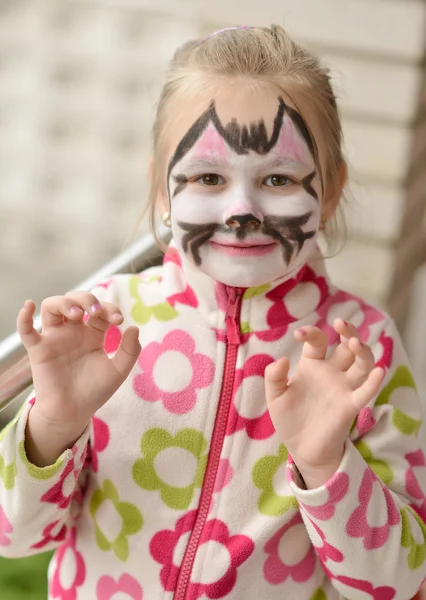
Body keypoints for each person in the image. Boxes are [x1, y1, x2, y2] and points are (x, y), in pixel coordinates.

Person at [0, 24, 425, 600]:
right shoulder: (106, 326)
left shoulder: (362, 350)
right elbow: (16, 540)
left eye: (278, 178)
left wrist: (328, 466)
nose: (242, 210)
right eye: (208, 177)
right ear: (161, 191)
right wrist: (53, 423)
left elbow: (399, 584)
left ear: (329, 193)